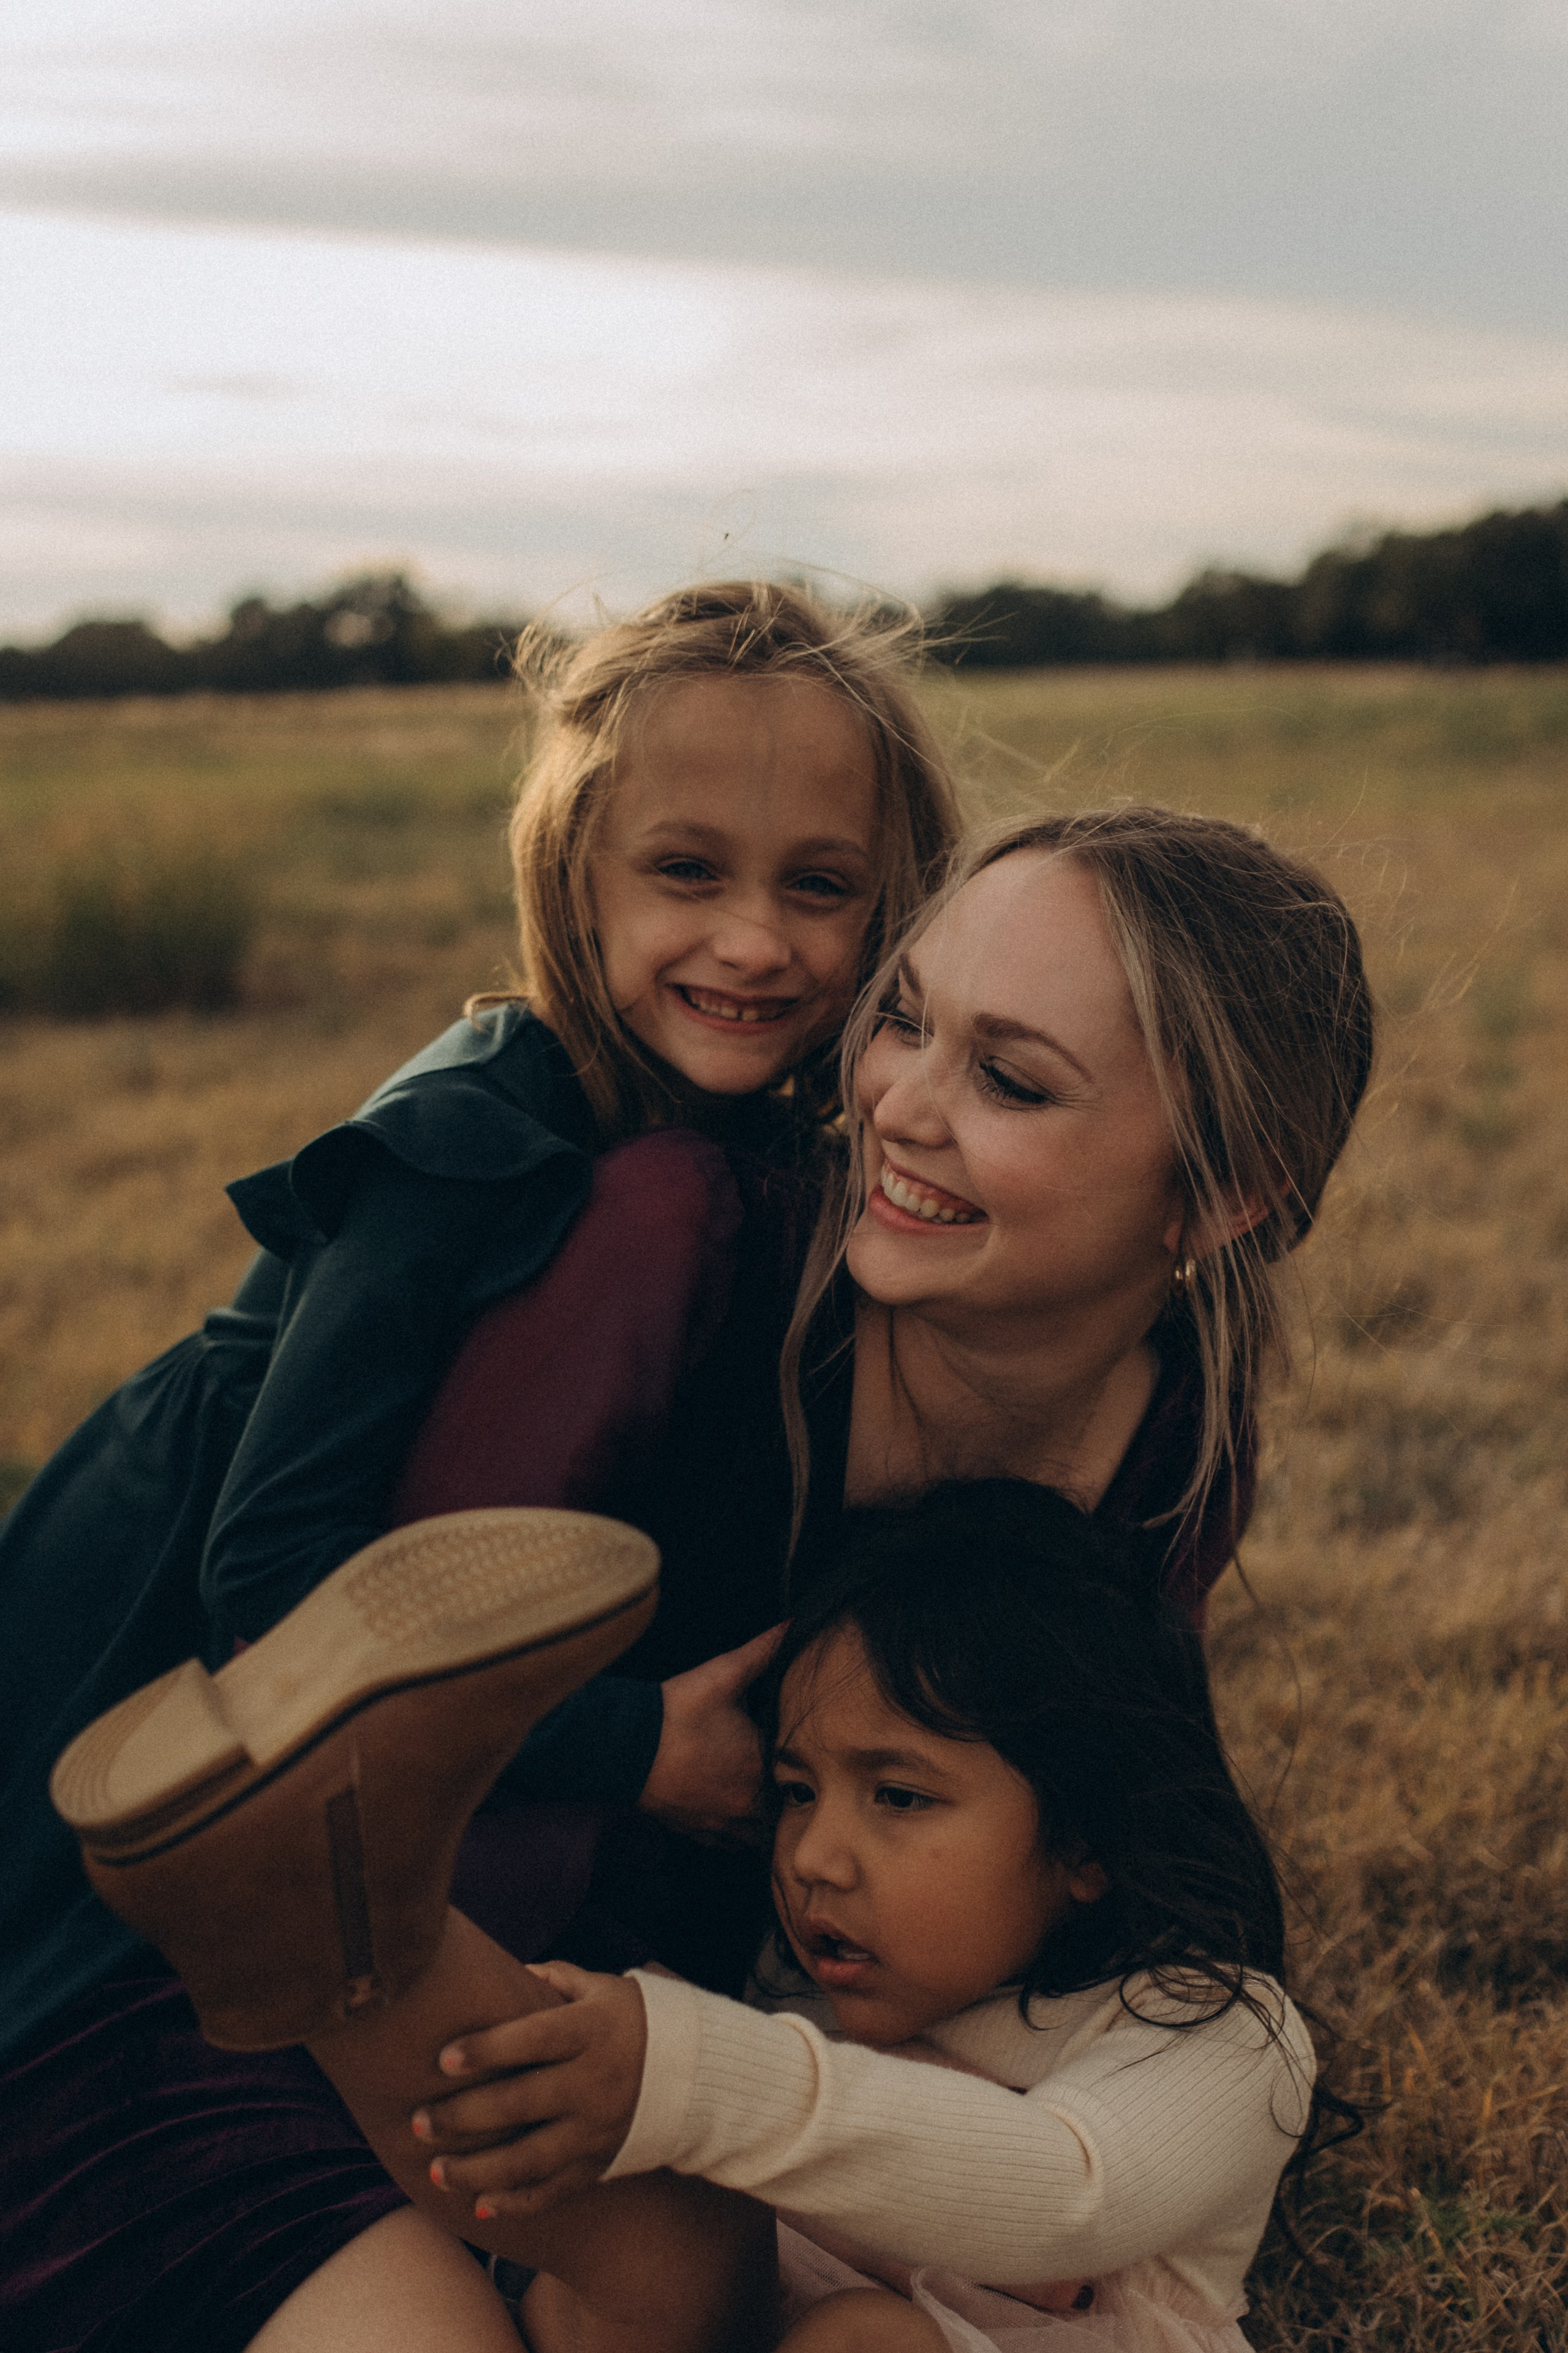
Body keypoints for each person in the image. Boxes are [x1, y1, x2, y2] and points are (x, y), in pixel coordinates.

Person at [6, 803, 1374, 2351]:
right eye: (902, 1021)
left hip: (632, 2073)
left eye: (1004, 1077)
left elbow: (1067, 1859)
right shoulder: (673, 1253)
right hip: (247, 1990)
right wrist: (637, 1766)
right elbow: (351, 1676)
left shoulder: (1168, 1450)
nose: (893, 1107)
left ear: (1220, 1191)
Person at [0, 581, 958, 2349]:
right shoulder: (467, 1139)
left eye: (818, 887)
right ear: (575, 870)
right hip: (134, 1823)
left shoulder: (734, 1144)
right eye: (688, 873)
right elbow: (270, 1589)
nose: (754, 940)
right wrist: (632, 1745)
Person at [55, 1484, 1348, 2353]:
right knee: (650, 2211)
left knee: (861, 2338)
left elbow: (1073, 2193)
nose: (813, 1856)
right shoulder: (801, 2010)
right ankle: (343, 1930)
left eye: (897, 1795)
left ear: (1085, 1840)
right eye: (793, 1791)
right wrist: (631, 2085)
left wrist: (684, 2072)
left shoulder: (1214, 2034)